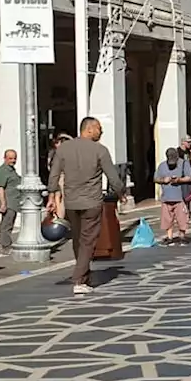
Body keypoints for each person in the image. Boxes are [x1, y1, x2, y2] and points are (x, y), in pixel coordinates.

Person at [47, 117, 124, 295]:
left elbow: (54, 174)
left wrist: (51, 196)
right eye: (98, 128)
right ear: (88, 129)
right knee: (88, 240)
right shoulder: (100, 150)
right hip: (91, 202)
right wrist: (121, 192)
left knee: (78, 239)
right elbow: (113, 177)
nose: (101, 131)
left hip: (71, 202)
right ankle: (79, 278)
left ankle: (84, 275)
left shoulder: (64, 149)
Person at [154, 147, 191, 246]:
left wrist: (179, 180)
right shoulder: (162, 166)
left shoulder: (184, 163)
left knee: (182, 218)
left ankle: (182, 236)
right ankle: (169, 237)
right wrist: (164, 180)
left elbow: (190, 177)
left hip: (180, 197)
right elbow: (155, 178)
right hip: (166, 197)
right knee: (167, 219)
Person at [0, 149, 21, 253]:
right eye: (10, 158)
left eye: (15, 158)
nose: (13, 160)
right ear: (5, 158)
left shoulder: (11, 170)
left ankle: (3, 242)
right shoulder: (3, 171)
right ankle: (6, 246)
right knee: (7, 225)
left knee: (8, 224)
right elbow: (1, 188)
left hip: (14, 201)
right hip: (9, 202)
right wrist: (3, 203)